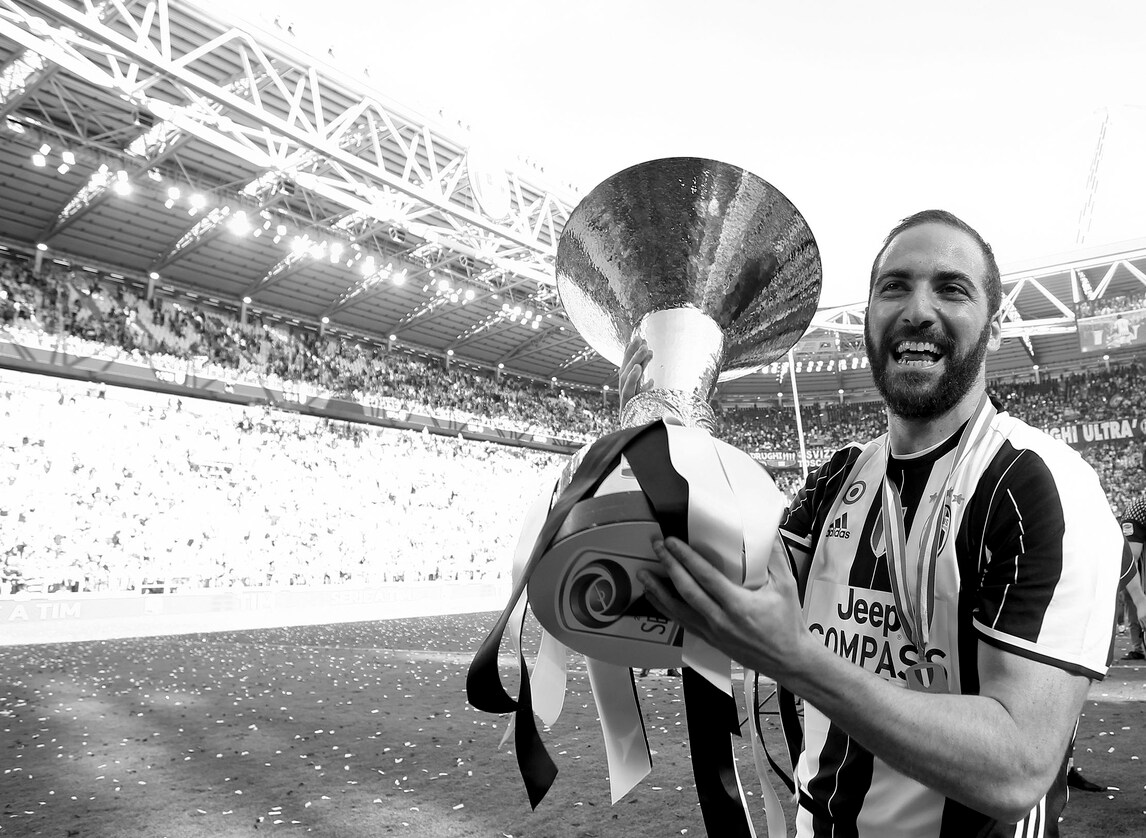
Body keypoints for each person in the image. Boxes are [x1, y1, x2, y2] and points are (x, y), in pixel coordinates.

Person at [623, 210, 1124, 837]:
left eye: (951, 289)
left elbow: (1017, 769)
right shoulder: (837, 479)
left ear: (995, 328)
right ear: (868, 319)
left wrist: (799, 661)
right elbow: (704, 594)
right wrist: (654, 445)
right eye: (894, 287)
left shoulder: (1040, 487)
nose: (917, 310)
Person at [1117, 494, 1146, 659]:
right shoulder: (1139, 508)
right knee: (1133, 607)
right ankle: (1138, 648)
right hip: (1137, 580)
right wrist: (1140, 599)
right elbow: (1131, 559)